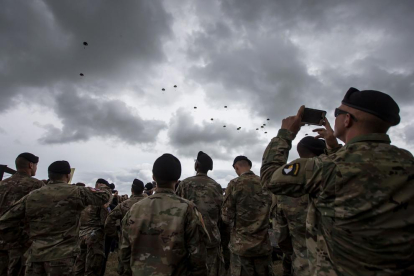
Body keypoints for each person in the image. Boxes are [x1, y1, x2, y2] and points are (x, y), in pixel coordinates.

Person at [261, 87, 414, 275]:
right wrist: (333, 147)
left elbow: (269, 178)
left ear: (347, 119)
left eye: (337, 113)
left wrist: (285, 134)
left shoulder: (324, 167)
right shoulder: (408, 162)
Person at [0, 160, 111, 276]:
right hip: (62, 257)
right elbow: (104, 196)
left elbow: (6, 221)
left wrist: (23, 240)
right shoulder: (76, 192)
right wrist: (105, 187)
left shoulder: (33, 195)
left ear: (50, 175)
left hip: (35, 256)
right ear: (68, 175)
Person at [121, 153, 208, 275]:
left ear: (154, 177)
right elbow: (198, 256)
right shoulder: (188, 209)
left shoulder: (135, 209)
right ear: (177, 179)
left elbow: (124, 252)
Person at [275, 137, 326, 276]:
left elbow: (282, 232)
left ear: (300, 154)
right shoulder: (343, 175)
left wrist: (290, 252)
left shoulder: (288, 189)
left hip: (304, 262)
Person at [222, 156, 273, 276]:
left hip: (241, 248)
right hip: (263, 246)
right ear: (249, 166)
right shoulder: (264, 183)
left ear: (236, 167)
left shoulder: (234, 184)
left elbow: (226, 217)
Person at [177, 151, 225, 275]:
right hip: (211, 239)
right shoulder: (216, 186)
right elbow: (222, 214)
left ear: (197, 165)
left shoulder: (184, 184)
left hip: (188, 241)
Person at [0, 152, 44, 276]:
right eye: (35, 165)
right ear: (31, 165)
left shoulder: (2, 184)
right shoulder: (36, 185)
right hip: (21, 242)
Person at [104, 179, 147, 275]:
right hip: (145, 243)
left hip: (126, 243)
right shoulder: (149, 204)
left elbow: (109, 221)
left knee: (125, 269)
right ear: (142, 190)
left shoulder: (124, 204)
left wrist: (116, 236)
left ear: (132, 190)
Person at [74, 178, 113, 276]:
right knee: (92, 268)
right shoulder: (99, 200)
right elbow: (105, 220)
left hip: (81, 234)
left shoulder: (85, 197)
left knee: (79, 266)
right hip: (94, 236)